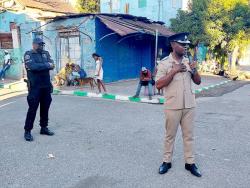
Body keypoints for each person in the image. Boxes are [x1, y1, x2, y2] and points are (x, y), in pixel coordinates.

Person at [156, 33, 202, 177]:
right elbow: (158, 84)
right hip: (172, 105)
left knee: (189, 136)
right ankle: (166, 161)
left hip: (189, 105)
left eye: (187, 44)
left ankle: (190, 163)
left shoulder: (188, 61)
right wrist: (174, 71)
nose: (185, 47)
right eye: (182, 44)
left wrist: (194, 70)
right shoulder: (164, 63)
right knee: (170, 136)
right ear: (173, 45)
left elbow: (198, 81)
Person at [23, 38, 55, 141]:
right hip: (35, 87)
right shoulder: (28, 54)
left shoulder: (46, 53)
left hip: (46, 86)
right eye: (39, 45)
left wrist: (45, 66)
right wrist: (47, 65)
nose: (41, 46)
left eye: (42, 45)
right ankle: (27, 131)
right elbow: (33, 67)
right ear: (34, 45)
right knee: (32, 109)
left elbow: (52, 65)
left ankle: (44, 128)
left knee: (45, 108)